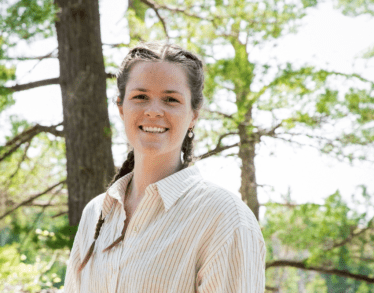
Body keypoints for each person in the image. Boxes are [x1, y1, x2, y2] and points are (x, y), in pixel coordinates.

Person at [63, 42, 266, 292]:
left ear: (193, 115)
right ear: (121, 108)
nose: (153, 111)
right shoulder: (96, 213)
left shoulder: (226, 218)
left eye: (171, 99)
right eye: (140, 97)